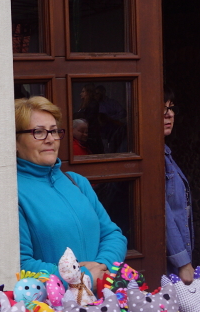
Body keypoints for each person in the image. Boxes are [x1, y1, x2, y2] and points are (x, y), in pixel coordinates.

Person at [16, 96, 127, 286]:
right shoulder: (13, 193)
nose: (50, 139)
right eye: (39, 132)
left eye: (54, 131)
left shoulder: (76, 182)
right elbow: (22, 264)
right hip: (52, 303)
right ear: (15, 141)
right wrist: (82, 277)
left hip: (101, 297)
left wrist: (102, 265)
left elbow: (113, 235)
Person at [163, 88, 195, 284]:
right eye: (162, 109)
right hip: (166, 264)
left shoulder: (164, 152)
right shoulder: (150, 155)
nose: (169, 114)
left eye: (171, 108)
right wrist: (182, 262)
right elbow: (160, 211)